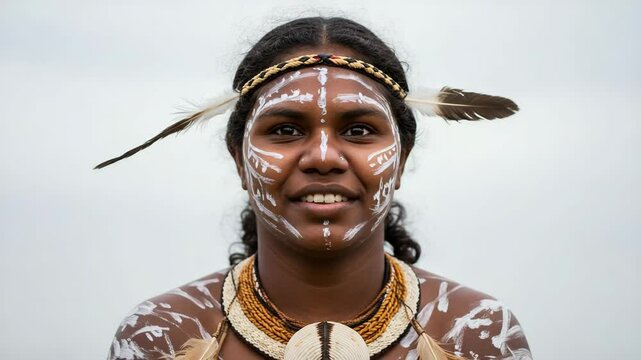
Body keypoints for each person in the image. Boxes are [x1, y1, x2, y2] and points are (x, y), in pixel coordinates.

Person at [103, 17, 532, 360]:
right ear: (239, 159)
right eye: (286, 129)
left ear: (401, 159)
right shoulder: (160, 335)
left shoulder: (477, 334)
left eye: (360, 130)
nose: (323, 157)